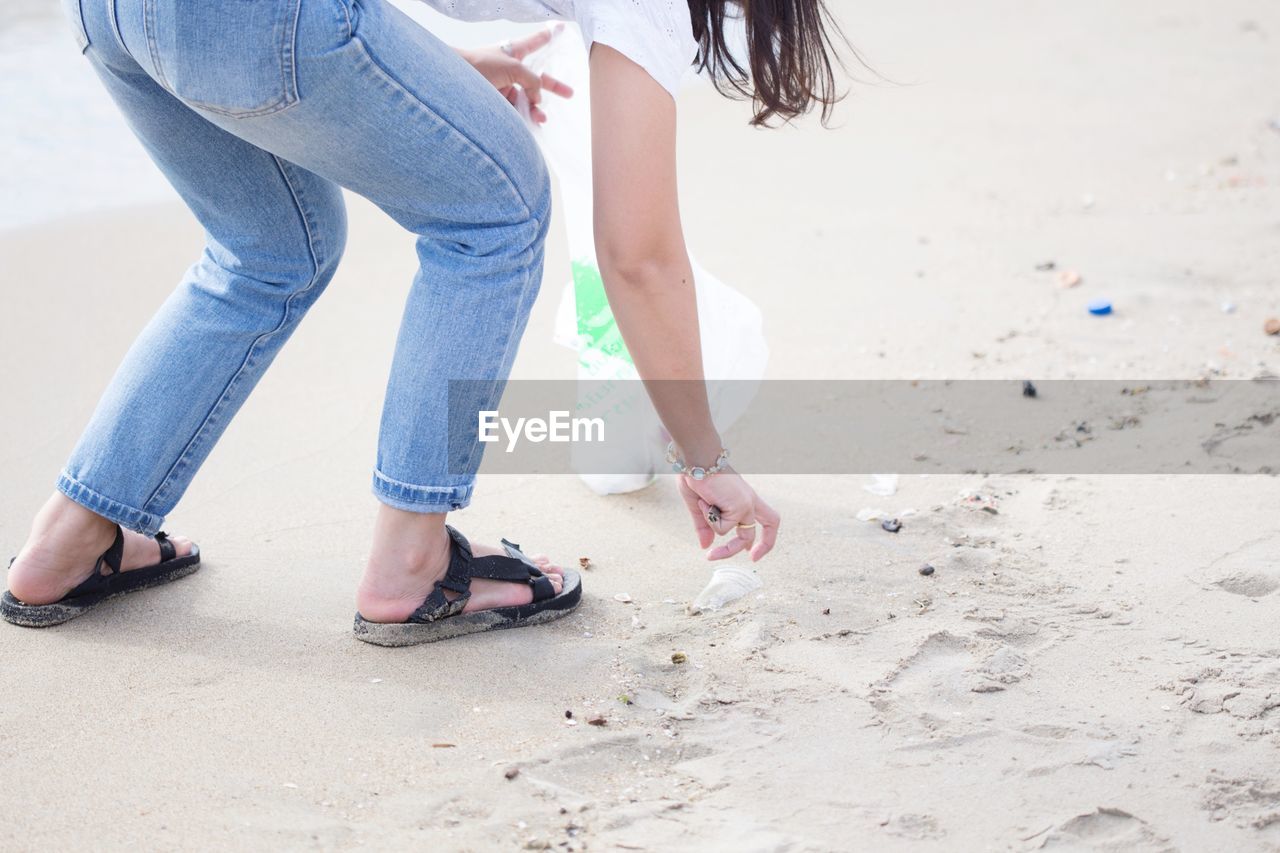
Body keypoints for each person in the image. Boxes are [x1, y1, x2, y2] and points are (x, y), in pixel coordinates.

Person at [4, 0, 845, 644]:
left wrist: (423, 63)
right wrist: (707, 455)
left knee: (265, 251)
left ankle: (72, 536)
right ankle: (412, 562)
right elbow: (639, 258)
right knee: (495, 212)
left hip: (115, 16)